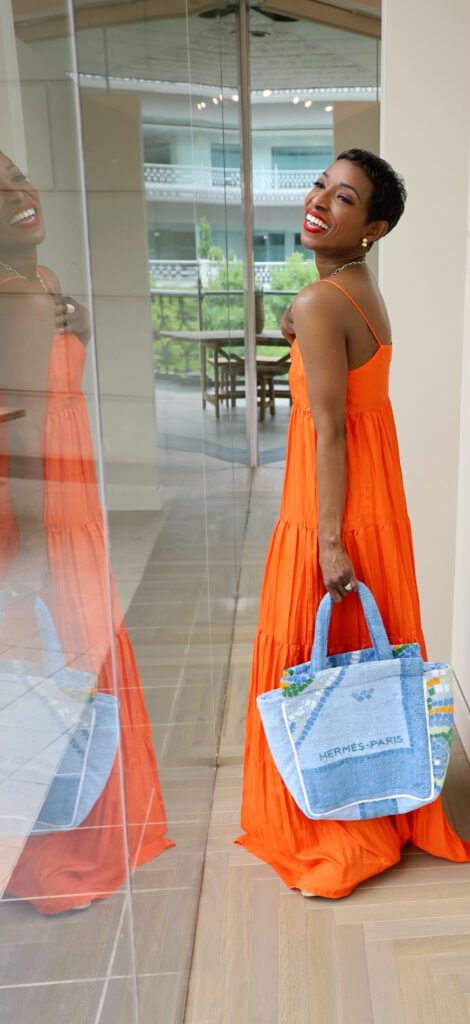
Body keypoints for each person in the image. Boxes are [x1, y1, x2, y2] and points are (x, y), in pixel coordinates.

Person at [237, 149, 470, 897]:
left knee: (315, 651)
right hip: (376, 492)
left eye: (344, 200)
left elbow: (330, 432)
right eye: (320, 186)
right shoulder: (354, 288)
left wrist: (330, 540)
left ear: (371, 227)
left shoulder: (321, 302)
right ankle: (377, 797)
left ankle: (334, 824)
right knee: (361, 657)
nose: (320, 202)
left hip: (331, 501)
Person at [0, 153, 172, 913]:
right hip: (50, 509)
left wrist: (81, 321)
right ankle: (62, 852)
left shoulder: (41, 287)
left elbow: (49, 384)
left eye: (16, 176)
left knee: (64, 664)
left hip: (66, 501)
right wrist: (33, 553)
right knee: (64, 665)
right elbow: (27, 435)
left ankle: (59, 835)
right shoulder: (20, 296)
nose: (17, 196)